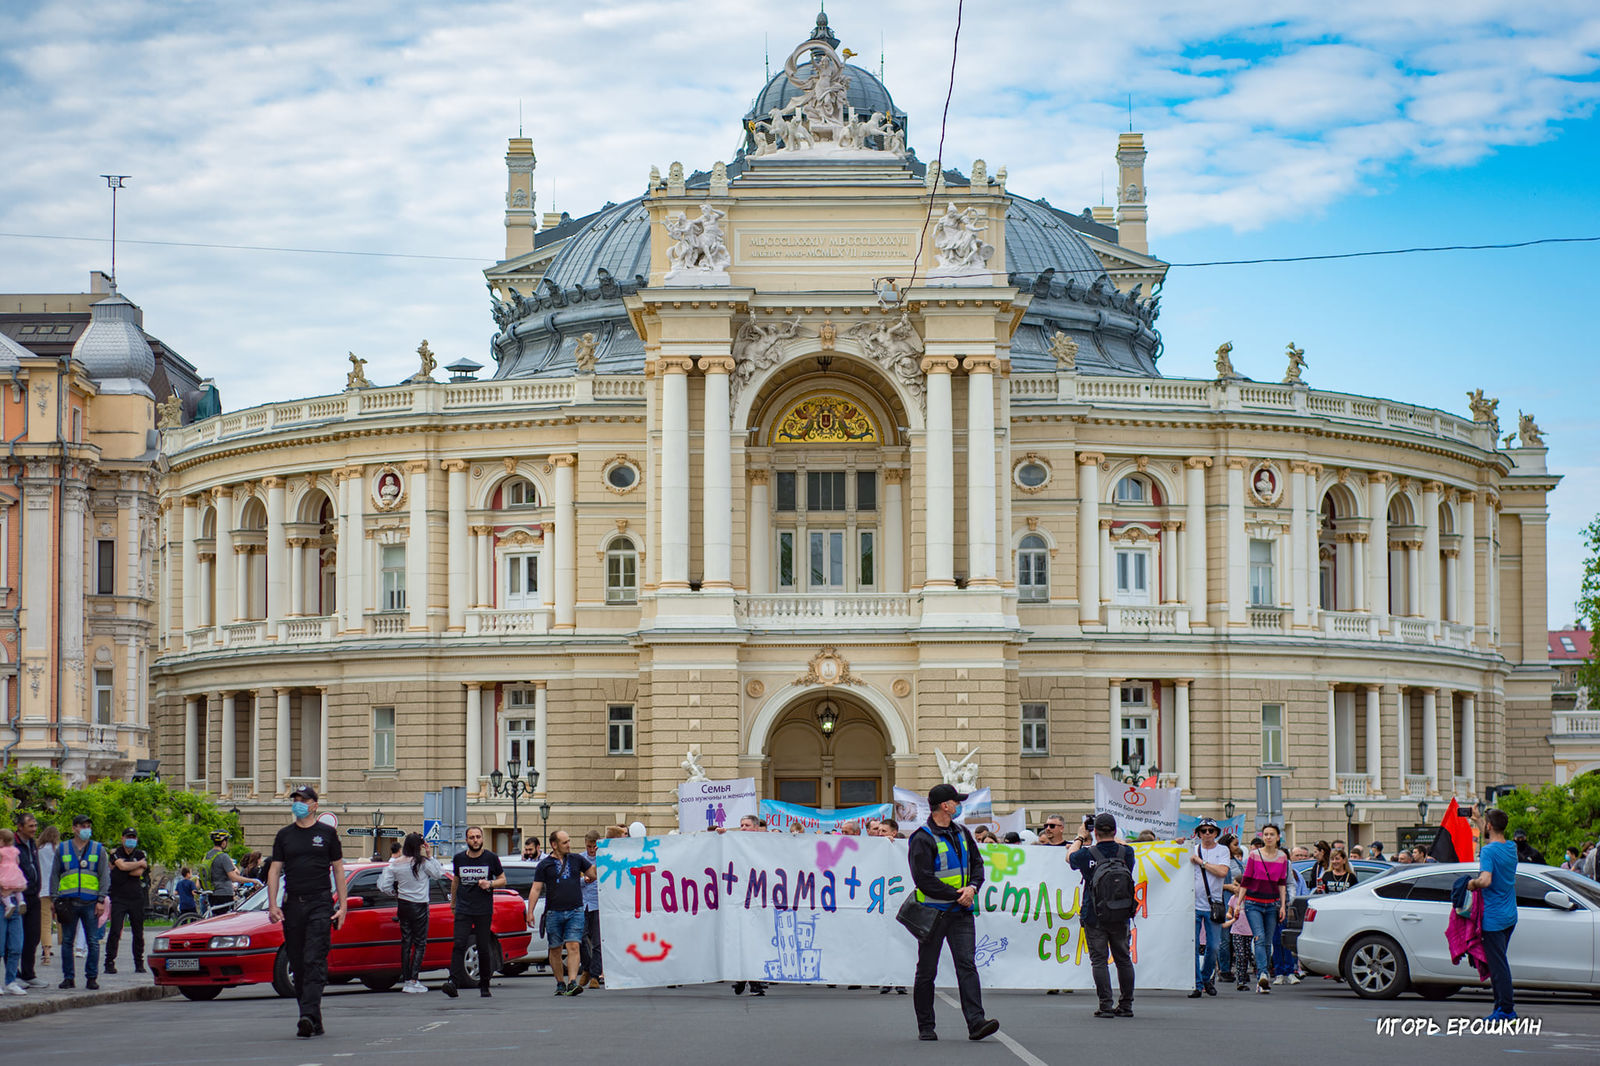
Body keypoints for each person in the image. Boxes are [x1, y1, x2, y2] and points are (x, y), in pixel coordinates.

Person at [907, 783, 999, 1042]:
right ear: (944, 806)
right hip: (933, 913)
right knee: (927, 970)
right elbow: (923, 880)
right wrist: (959, 894)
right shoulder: (922, 837)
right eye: (956, 802)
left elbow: (977, 865)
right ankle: (926, 1026)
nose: (959, 805)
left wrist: (973, 887)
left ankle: (976, 1022)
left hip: (960, 913)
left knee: (967, 966)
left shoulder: (962, 833)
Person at [266, 785, 348, 1038]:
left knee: (314, 959)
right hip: (293, 905)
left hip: (320, 903)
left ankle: (307, 1015)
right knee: (299, 963)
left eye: (303, 799)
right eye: (296, 800)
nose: (298, 803)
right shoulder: (284, 835)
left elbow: (338, 869)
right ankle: (313, 1017)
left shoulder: (327, 834)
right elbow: (274, 871)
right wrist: (272, 904)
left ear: (314, 805)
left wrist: (343, 905)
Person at [1068, 812, 1138, 1018]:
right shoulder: (1127, 852)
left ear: (1095, 832)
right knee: (1123, 959)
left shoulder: (1086, 854)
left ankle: (1105, 1005)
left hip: (1094, 913)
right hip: (1121, 913)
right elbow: (1123, 846)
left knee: (1099, 960)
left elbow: (1069, 857)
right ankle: (1126, 1005)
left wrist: (1081, 836)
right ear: (1115, 831)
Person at [531, 829, 596, 996]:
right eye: (565, 842)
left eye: (569, 841)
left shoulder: (576, 859)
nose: (569, 845)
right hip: (554, 912)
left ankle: (572, 982)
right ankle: (560, 982)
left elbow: (593, 874)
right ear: (554, 845)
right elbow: (536, 888)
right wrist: (529, 911)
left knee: (574, 945)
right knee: (555, 949)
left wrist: (605, 857)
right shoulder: (544, 865)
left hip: (575, 910)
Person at [1468, 808, 1518, 1021]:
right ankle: (1500, 1007)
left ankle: (1506, 1010)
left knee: (1498, 966)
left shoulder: (1489, 852)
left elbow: (1486, 880)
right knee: (1499, 962)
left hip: (1494, 919)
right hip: (1509, 915)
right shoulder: (1511, 847)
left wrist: (1472, 883)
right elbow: (1493, 844)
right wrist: (1479, 820)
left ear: (1489, 827)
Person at [443, 826, 504, 998]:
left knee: (483, 947)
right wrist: (453, 903)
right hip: (463, 908)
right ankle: (452, 982)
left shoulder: (491, 858)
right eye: (471, 837)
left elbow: (503, 879)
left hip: (483, 909)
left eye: (478, 837)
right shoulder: (459, 858)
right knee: (459, 944)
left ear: (482, 838)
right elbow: (455, 881)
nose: (475, 840)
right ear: (466, 840)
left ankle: (484, 984)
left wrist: (490, 884)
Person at [379, 832, 441, 994]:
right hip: (419, 905)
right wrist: (430, 855)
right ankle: (414, 980)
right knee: (420, 943)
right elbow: (438, 874)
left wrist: (396, 893)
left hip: (403, 904)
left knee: (406, 942)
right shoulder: (422, 863)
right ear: (419, 847)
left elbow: (384, 886)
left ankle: (407, 979)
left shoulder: (395, 863)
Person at [52, 815, 109, 989]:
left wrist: (101, 899)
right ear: (74, 828)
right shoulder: (62, 849)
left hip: (91, 902)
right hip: (68, 902)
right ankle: (68, 977)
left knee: (92, 941)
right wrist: (54, 899)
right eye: (82, 826)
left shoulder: (98, 849)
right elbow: (54, 875)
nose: (86, 829)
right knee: (67, 941)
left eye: (88, 826)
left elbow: (104, 876)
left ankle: (91, 977)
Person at [1238, 823, 1290, 994]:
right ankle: (1263, 974)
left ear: (1278, 837)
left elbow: (1282, 883)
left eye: (1271, 834)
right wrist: (1239, 903)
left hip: (1272, 904)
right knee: (1259, 938)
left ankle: (1262, 980)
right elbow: (1245, 880)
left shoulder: (1283, 857)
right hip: (1254, 903)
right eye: (1265, 834)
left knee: (1268, 942)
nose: (1268, 837)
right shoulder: (1254, 855)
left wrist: (1283, 905)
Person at [1188, 817, 1229, 999]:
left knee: (1213, 947)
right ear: (1198, 833)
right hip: (1194, 905)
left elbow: (1222, 872)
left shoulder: (1222, 850)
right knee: (1194, 947)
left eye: (1210, 831)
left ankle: (1206, 978)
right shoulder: (1193, 849)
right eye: (1203, 831)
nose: (1206, 834)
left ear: (1216, 833)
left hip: (1214, 904)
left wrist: (1201, 862)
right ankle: (1197, 984)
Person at [731, 815, 769, 997]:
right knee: (745, 940)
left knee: (755, 940)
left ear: (755, 827)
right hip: (741, 900)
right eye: (741, 825)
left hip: (759, 899)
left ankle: (748, 979)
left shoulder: (764, 844)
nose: (743, 828)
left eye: (746, 825)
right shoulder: (734, 843)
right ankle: (749, 980)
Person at [103, 827, 149, 975]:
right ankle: (109, 962)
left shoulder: (141, 853)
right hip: (118, 897)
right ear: (122, 838)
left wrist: (123, 867)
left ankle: (139, 963)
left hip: (136, 897)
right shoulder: (116, 853)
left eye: (133, 837)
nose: (131, 840)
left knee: (138, 931)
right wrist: (135, 864)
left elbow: (138, 872)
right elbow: (122, 866)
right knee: (115, 930)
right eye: (128, 837)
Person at [12, 814, 42, 989]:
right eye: (31, 826)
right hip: (17, 897)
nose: (34, 829)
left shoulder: (32, 844)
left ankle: (29, 973)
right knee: (16, 937)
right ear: (20, 827)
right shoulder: (11, 845)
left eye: (35, 825)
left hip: (33, 896)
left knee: (33, 935)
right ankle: (13, 975)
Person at [578, 830, 605, 990]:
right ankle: (587, 968)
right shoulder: (580, 859)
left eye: (594, 847)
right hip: (583, 904)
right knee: (580, 938)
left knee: (597, 943)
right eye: (589, 847)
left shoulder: (604, 860)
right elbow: (575, 880)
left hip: (599, 904)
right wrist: (584, 880)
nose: (592, 850)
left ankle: (595, 975)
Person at [205, 831, 258, 913]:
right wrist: (252, 880)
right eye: (226, 841)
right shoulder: (223, 856)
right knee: (225, 921)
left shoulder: (207, 855)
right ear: (223, 842)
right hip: (224, 894)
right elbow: (233, 877)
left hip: (212, 894)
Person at [37, 825, 57, 970]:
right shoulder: (58, 850)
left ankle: (46, 953)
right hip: (57, 889)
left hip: (42, 889)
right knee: (61, 918)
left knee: (45, 922)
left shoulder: (39, 850)